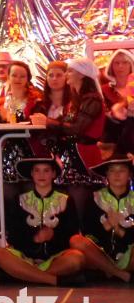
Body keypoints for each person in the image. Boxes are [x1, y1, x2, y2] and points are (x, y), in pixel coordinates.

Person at [30, 58, 107, 219]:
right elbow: (67, 125)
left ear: (82, 75)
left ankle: (82, 236)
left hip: (84, 156)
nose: (67, 75)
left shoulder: (91, 99)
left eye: (70, 71)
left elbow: (77, 129)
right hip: (72, 155)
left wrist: (48, 122)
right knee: (69, 201)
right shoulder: (77, 100)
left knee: (79, 199)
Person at [0, 158, 84, 286]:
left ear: (53, 174)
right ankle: (52, 280)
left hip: (55, 259)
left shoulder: (66, 200)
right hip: (25, 258)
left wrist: (53, 235)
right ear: (32, 173)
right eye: (37, 170)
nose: (41, 175)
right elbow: (13, 234)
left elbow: (72, 233)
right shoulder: (20, 200)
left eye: (46, 171)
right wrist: (34, 237)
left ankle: (26, 275)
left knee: (77, 258)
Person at [70, 155, 134, 282]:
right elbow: (88, 232)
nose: (117, 174)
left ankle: (108, 272)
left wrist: (119, 229)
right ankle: (119, 274)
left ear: (129, 175)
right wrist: (107, 225)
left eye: (121, 170)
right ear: (107, 175)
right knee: (76, 240)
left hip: (129, 255)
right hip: (99, 255)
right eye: (112, 170)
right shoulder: (94, 197)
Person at [0, 61, 43, 202]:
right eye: (14, 75)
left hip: (30, 152)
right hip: (7, 152)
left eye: (22, 76)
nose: (18, 79)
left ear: (27, 79)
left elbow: (39, 128)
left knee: (31, 195)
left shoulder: (36, 101)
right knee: (8, 196)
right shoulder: (0, 103)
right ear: (8, 77)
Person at [101, 49, 134, 151]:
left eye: (125, 62)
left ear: (131, 65)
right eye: (116, 63)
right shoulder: (104, 89)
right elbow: (103, 119)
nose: (120, 66)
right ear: (111, 66)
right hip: (115, 141)